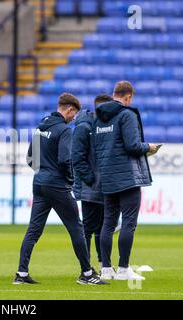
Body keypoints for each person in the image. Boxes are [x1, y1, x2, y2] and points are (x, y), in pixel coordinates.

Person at [14, 93, 108, 285]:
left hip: (39, 183)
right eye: (74, 115)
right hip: (57, 185)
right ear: (69, 109)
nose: (74, 119)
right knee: (77, 228)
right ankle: (87, 274)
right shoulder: (65, 130)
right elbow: (65, 159)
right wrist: (69, 178)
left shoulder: (41, 127)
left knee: (33, 230)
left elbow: (30, 157)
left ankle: (21, 274)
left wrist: (42, 172)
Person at [93, 81, 158, 281]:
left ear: (114, 94)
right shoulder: (127, 115)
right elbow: (132, 145)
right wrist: (149, 147)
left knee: (108, 223)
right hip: (128, 178)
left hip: (107, 177)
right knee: (128, 223)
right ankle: (123, 269)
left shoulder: (99, 118)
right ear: (128, 96)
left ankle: (105, 269)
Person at [72, 94, 113, 270]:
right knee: (88, 228)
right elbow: (77, 158)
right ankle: (86, 268)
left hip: (106, 186)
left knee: (104, 227)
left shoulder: (106, 126)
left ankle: (104, 264)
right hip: (90, 187)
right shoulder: (84, 127)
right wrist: (91, 179)